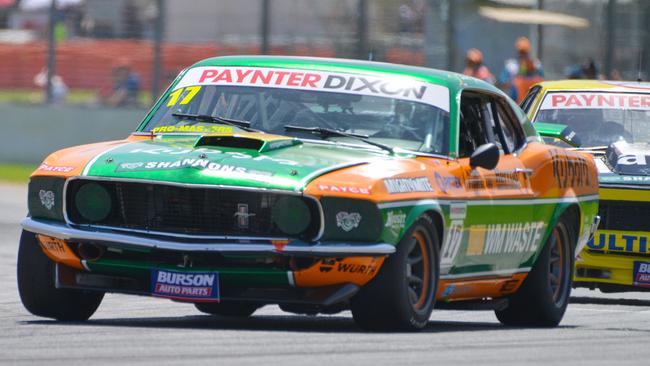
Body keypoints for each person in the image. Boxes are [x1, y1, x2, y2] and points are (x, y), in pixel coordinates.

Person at [498, 36, 543, 103]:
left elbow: (541, 82)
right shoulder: (511, 65)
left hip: (532, 100)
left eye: (525, 52)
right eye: (521, 52)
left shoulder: (536, 64)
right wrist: (514, 82)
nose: (523, 55)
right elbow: (502, 82)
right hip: (515, 101)